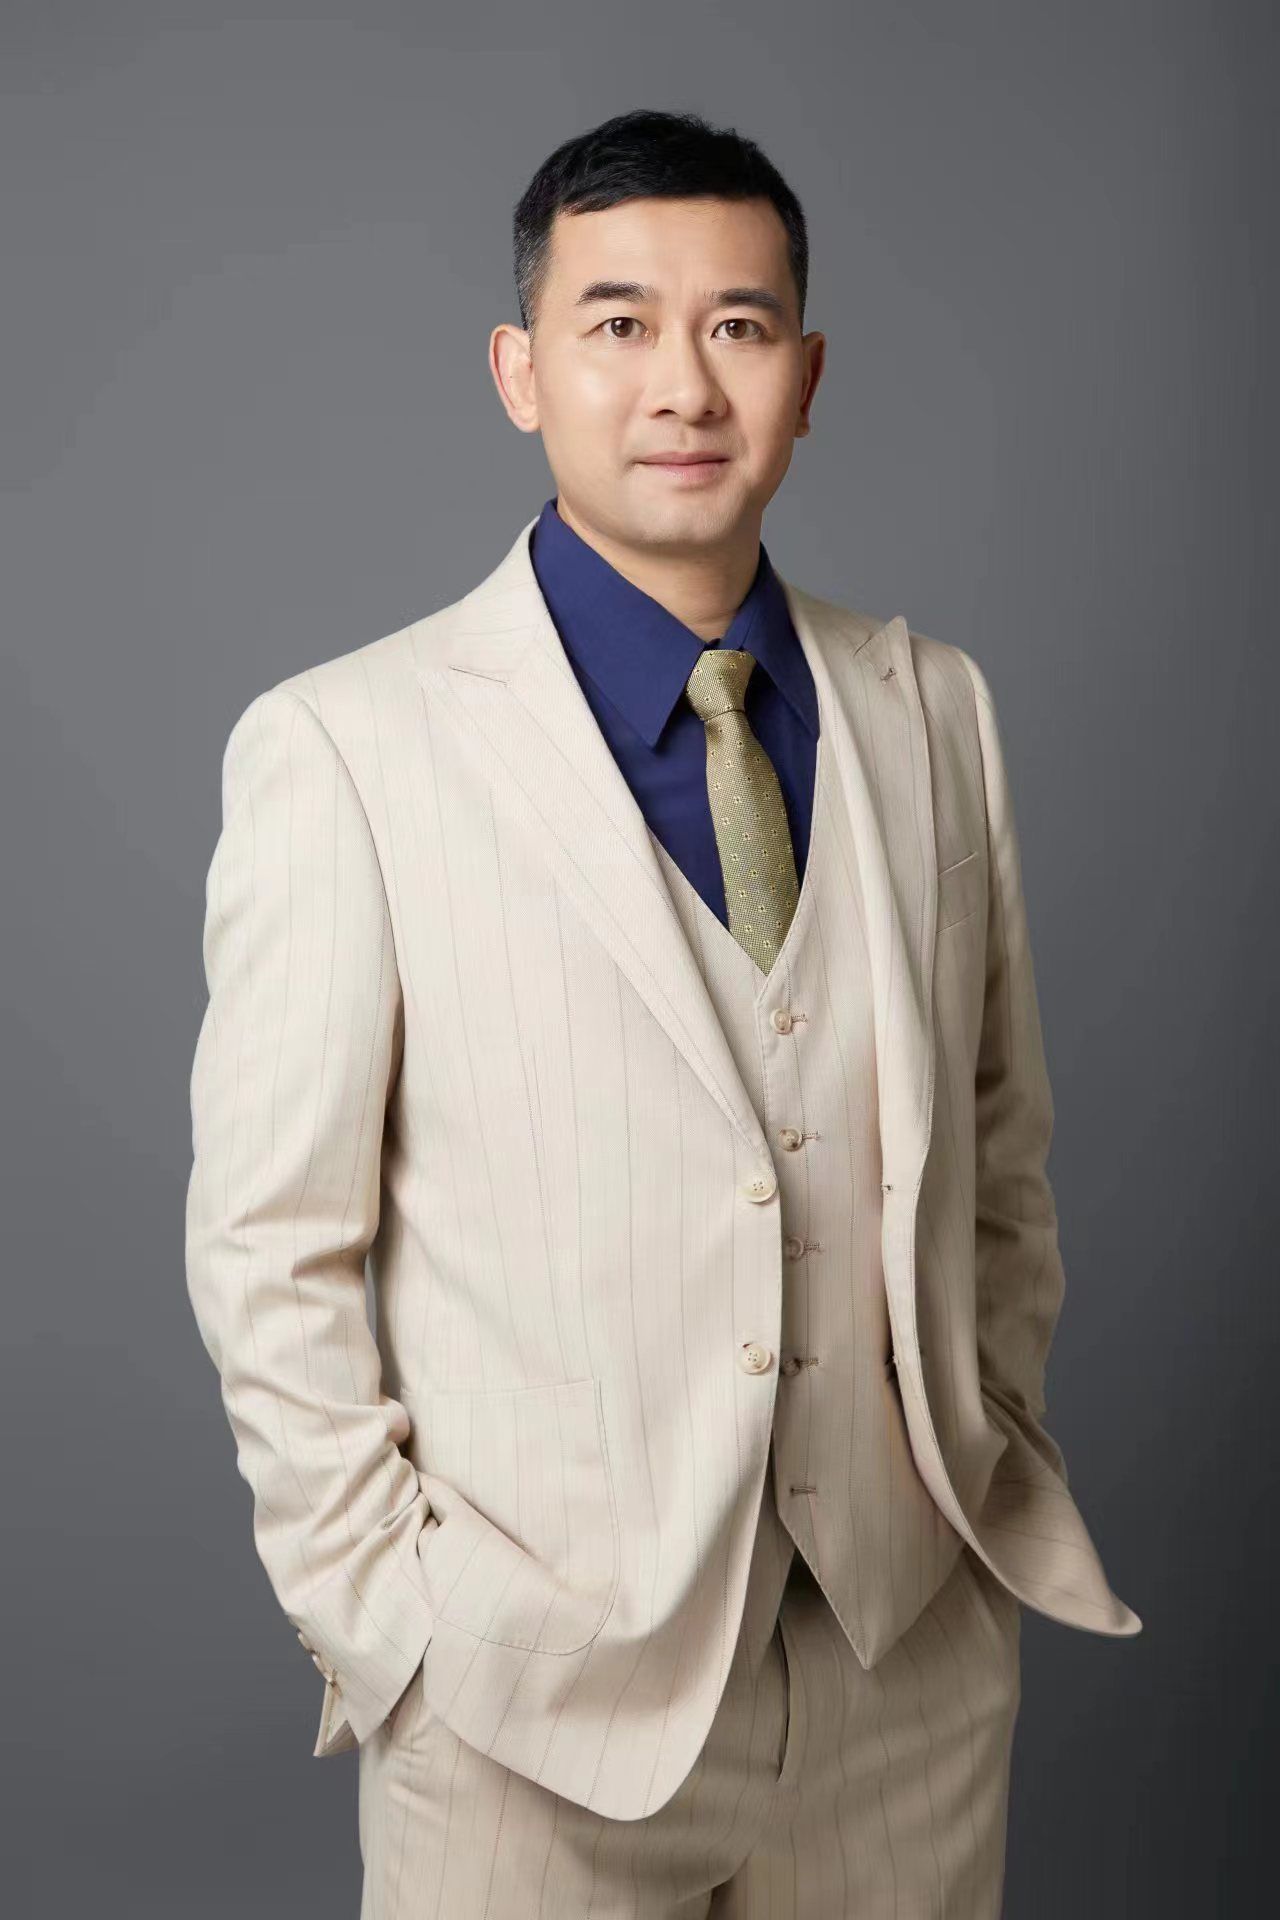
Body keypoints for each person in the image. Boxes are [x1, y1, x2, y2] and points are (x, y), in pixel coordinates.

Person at [185, 106, 1141, 1918]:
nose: (684, 384)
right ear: (519, 372)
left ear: (807, 376)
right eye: (618, 324)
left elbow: (998, 1158)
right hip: (525, 1713)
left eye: (738, 326)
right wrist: (396, 1631)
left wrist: (980, 1450)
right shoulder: (348, 748)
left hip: (905, 1679)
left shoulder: (932, 706)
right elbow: (271, 1248)